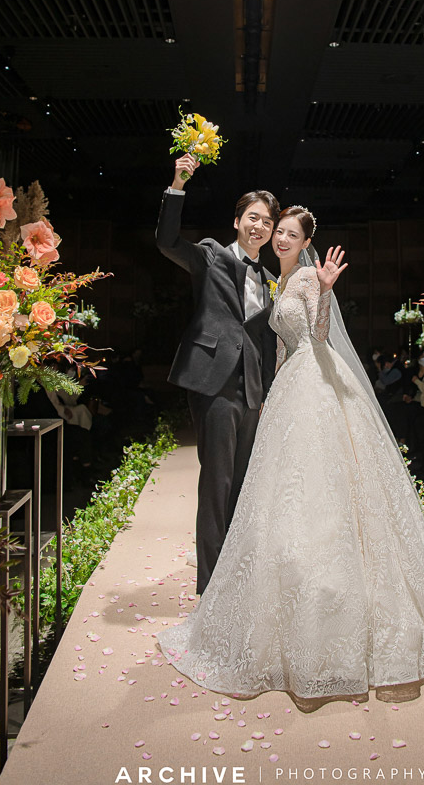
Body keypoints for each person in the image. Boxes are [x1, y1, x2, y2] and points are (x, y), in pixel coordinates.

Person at [157, 205, 424, 709]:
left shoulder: (308, 278)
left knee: (324, 482)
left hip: (315, 382)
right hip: (286, 386)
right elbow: (276, 345)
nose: (281, 239)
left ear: (304, 242)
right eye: (279, 231)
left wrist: (328, 288)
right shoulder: (276, 280)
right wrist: (267, 389)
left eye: (290, 234)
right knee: (281, 488)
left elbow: (317, 336)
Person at [155, 153, 280, 594]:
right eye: (253, 218)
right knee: (217, 482)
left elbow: (265, 340)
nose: (259, 227)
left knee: (243, 484)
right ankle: (210, 588)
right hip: (214, 382)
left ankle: (234, 578)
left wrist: (266, 391)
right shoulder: (211, 255)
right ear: (237, 221)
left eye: (267, 222)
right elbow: (167, 241)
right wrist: (177, 186)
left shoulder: (269, 278)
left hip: (251, 389)